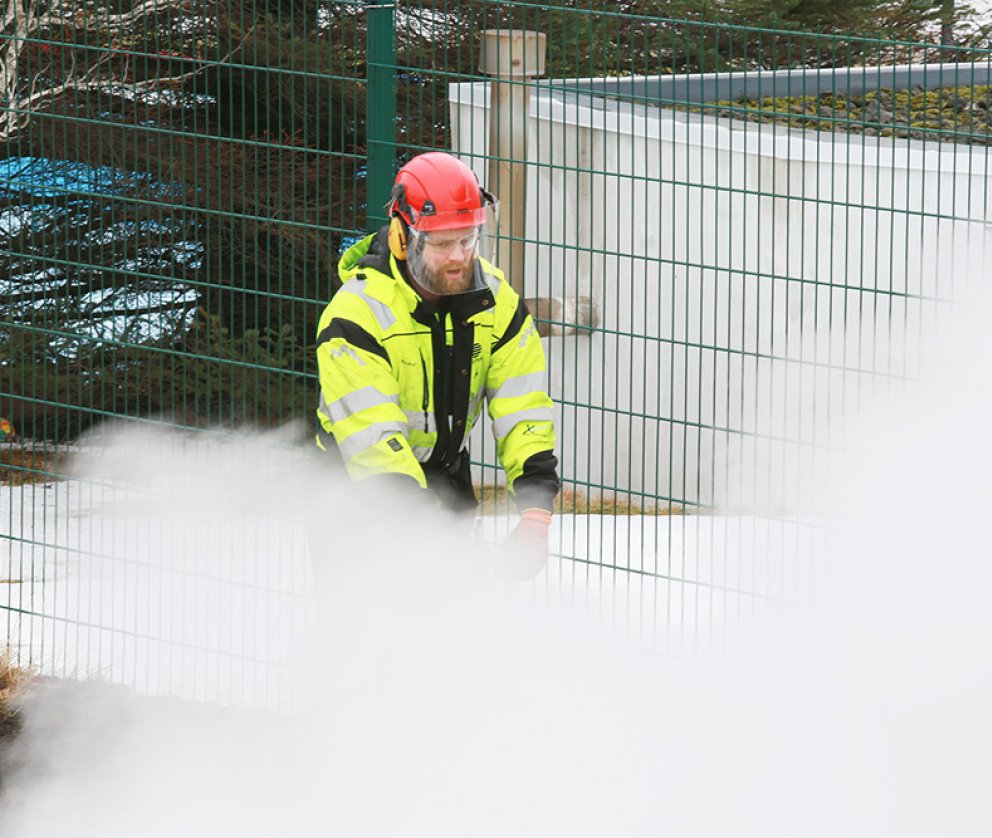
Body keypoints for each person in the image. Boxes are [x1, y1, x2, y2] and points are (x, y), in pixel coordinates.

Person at [314, 151, 560, 561]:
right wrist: (434, 540)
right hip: (358, 497)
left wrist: (535, 515)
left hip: (446, 483)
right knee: (368, 623)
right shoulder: (357, 315)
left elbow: (524, 410)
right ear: (401, 235)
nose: (459, 257)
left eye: (468, 239)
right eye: (442, 243)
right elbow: (374, 443)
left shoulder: (497, 304)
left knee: (456, 620)